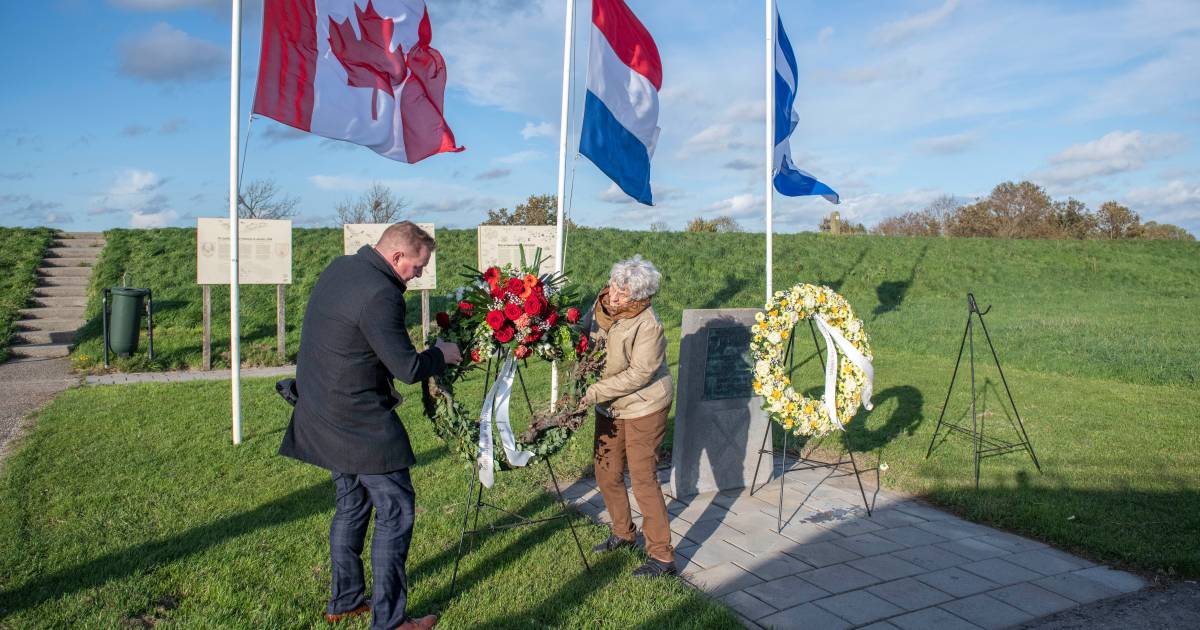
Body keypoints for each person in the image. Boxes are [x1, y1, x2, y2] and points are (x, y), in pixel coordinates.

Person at [280, 221, 462, 630]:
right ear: (397, 256)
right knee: (396, 512)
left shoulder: (341, 267)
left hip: (321, 411)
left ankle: (344, 601)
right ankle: (392, 622)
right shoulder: (382, 294)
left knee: (352, 504)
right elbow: (407, 367)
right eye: (417, 267)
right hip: (357, 423)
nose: (418, 276)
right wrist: (441, 353)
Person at [578, 255, 676, 577]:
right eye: (615, 286)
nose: (615, 296)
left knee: (643, 478)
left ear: (640, 296)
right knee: (606, 471)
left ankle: (662, 557)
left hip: (644, 406)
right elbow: (582, 333)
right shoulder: (602, 305)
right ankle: (623, 532)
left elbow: (639, 374)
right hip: (611, 403)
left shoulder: (649, 324)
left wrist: (593, 392)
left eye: (624, 293)